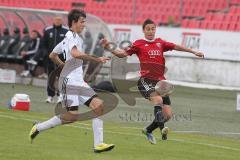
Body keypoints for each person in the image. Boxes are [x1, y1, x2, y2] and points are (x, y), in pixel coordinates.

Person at [102, 19, 204, 144]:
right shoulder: (138, 44)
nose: (151, 31)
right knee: (158, 100)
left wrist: (193, 51)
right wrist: (109, 47)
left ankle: (148, 130)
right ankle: (162, 129)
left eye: (153, 29)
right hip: (146, 81)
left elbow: (177, 46)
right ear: (143, 30)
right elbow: (122, 54)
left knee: (167, 115)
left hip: (160, 83)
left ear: (155, 29)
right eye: (148, 29)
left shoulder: (160, 43)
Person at [29, 9, 115, 153]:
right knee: (72, 116)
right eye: (82, 22)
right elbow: (75, 53)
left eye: (84, 22)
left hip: (78, 81)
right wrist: (96, 58)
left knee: (99, 106)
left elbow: (53, 54)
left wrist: (63, 66)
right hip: (69, 83)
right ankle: (38, 127)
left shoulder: (71, 38)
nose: (84, 25)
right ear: (74, 22)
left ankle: (98, 145)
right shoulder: (70, 36)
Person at [42, 16, 68, 103]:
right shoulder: (47, 30)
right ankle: (50, 96)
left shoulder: (66, 31)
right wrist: (46, 54)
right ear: (53, 20)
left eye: (59, 20)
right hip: (50, 59)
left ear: (62, 21)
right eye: (56, 20)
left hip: (62, 60)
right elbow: (43, 44)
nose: (58, 21)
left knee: (62, 77)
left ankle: (60, 95)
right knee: (51, 77)